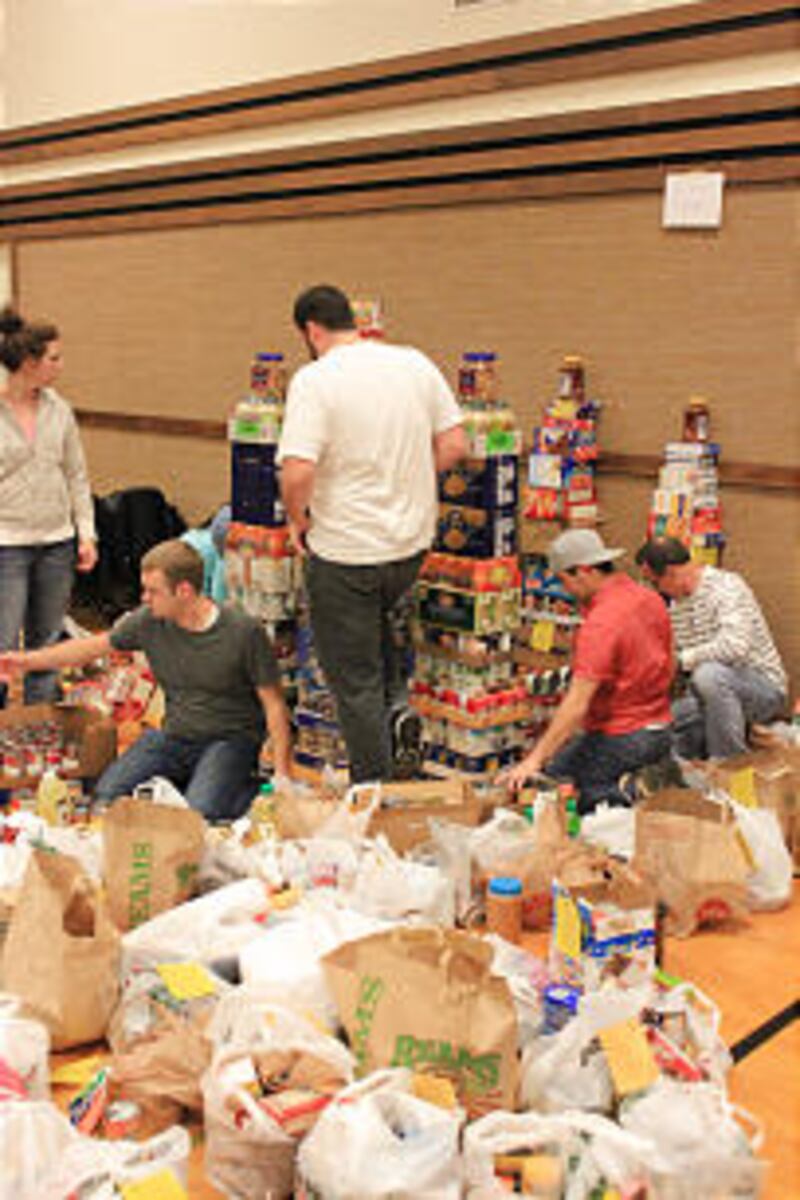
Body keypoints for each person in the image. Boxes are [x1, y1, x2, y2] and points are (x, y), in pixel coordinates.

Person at [278, 283, 466, 783]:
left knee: (354, 681)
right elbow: (454, 444)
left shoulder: (315, 380)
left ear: (311, 330)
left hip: (346, 553)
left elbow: (296, 472)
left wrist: (299, 520)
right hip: (409, 549)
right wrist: (410, 479)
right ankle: (399, 713)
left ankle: (374, 792)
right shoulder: (414, 363)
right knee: (382, 643)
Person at [0, 540, 292, 820]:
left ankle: (243, 790)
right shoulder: (148, 621)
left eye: (153, 591)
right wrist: (25, 662)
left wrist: (282, 775)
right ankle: (194, 786)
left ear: (184, 591)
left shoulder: (243, 632)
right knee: (108, 794)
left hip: (230, 740)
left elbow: (274, 705)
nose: (144, 598)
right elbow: (90, 647)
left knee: (199, 816)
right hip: (175, 736)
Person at [501, 529, 673, 811]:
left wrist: (533, 760)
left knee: (554, 791)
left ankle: (627, 792)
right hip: (659, 728)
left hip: (621, 737)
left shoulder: (601, 623)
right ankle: (639, 782)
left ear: (583, 571)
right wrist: (532, 685)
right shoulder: (649, 599)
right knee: (568, 765)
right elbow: (666, 662)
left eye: (563, 580)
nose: (563, 591)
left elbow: (576, 705)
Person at [0, 306, 97, 705]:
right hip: (7, 544)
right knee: (4, 643)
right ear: (29, 363)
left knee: (47, 643)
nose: (61, 365)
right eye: (54, 358)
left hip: (57, 541)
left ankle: (39, 721)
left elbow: (77, 475)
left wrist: (86, 534)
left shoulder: (61, 410)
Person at [635, 537, 787, 758]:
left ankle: (728, 765)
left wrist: (682, 660)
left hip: (762, 689)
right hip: (706, 696)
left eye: (655, 583)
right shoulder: (674, 605)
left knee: (709, 675)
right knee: (657, 726)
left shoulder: (726, 587)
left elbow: (735, 646)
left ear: (671, 573)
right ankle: (682, 778)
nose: (655, 590)